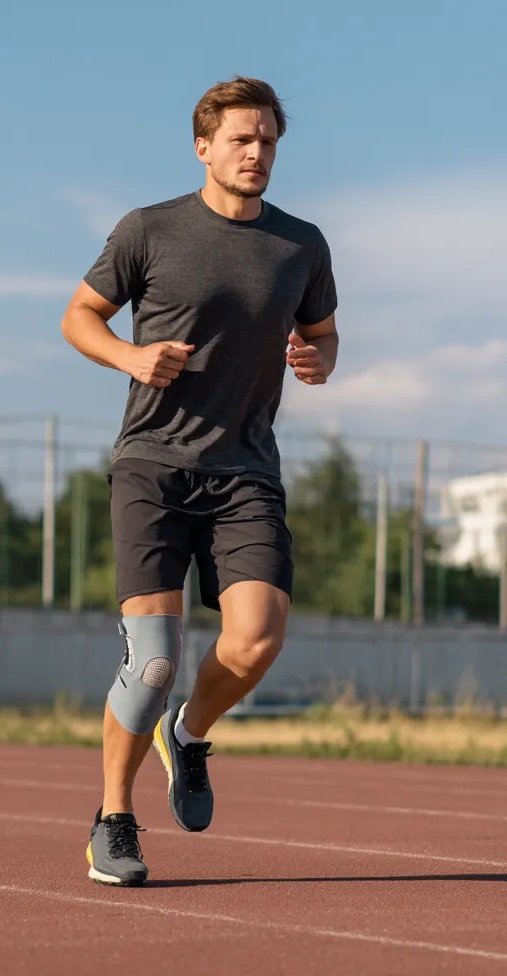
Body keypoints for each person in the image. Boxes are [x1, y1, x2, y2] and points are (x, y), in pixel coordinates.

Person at [60, 76, 339, 886]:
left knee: (255, 640)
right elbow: (80, 315)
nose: (257, 154)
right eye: (242, 140)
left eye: (269, 142)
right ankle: (113, 817)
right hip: (152, 464)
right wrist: (131, 355)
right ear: (204, 146)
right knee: (151, 663)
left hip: (245, 471)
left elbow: (322, 336)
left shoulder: (302, 246)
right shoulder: (148, 230)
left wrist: (319, 359)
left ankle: (187, 733)